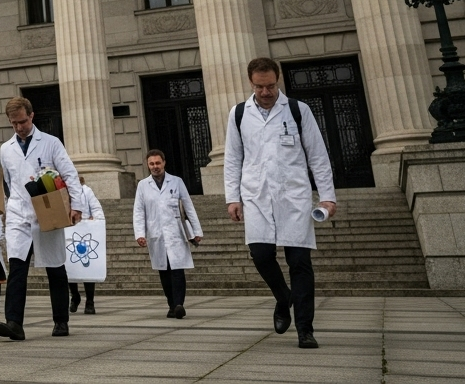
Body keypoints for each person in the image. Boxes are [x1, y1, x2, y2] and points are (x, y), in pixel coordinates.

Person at [225, 57, 337, 349]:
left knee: (299, 262)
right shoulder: (238, 114)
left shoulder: (299, 110)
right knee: (261, 255)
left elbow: (317, 155)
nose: (266, 92)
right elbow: (233, 159)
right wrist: (232, 198)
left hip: (294, 197)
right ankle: (282, 297)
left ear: (279, 81)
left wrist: (327, 195)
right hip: (256, 196)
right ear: (251, 83)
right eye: (260, 87)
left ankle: (305, 329)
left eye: (271, 86)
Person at [0, 96, 83, 341]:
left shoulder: (51, 143)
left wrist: (75, 206)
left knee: (55, 267)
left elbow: (69, 174)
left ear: (32, 116)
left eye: (22, 121)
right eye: (14, 124)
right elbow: (8, 183)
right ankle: (14, 323)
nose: (19, 127)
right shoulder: (6, 148)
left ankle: (61, 320)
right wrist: (6, 210)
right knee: (17, 268)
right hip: (18, 213)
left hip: (48, 211)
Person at [133, 149, 202, 318]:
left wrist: (197, 231)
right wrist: (140, 234)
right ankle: (171, 303)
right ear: (148, 165)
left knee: (177, 269)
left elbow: (189, 207)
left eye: (158, 163)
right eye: (152, 164)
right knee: (163, 270)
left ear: (164, 163)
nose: (155, 166)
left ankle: (179, 304)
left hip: (176, 232)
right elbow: (138, 211)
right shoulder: (143, 185)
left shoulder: (176, 182)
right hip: (156, 233)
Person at [69, 182, 105, 314]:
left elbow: (97, 210)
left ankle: (90, 301)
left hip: (85, 233)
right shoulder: (62, 191)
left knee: (88, 267)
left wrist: (94, 221)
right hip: (69, 232)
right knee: (69, 266)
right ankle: (75, 296)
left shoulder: (86, 191)